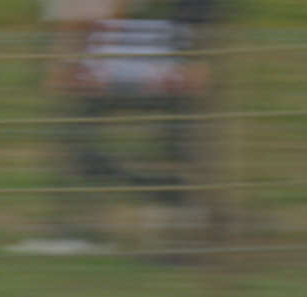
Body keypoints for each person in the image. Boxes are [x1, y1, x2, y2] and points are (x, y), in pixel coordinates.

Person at [11, 0, 222, 258]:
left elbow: (81, 20)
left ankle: (166, 212)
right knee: (77, 140)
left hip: (150, 74)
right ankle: (160, 199)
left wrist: (67, 61)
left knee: (78, 139)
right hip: (133, 73)